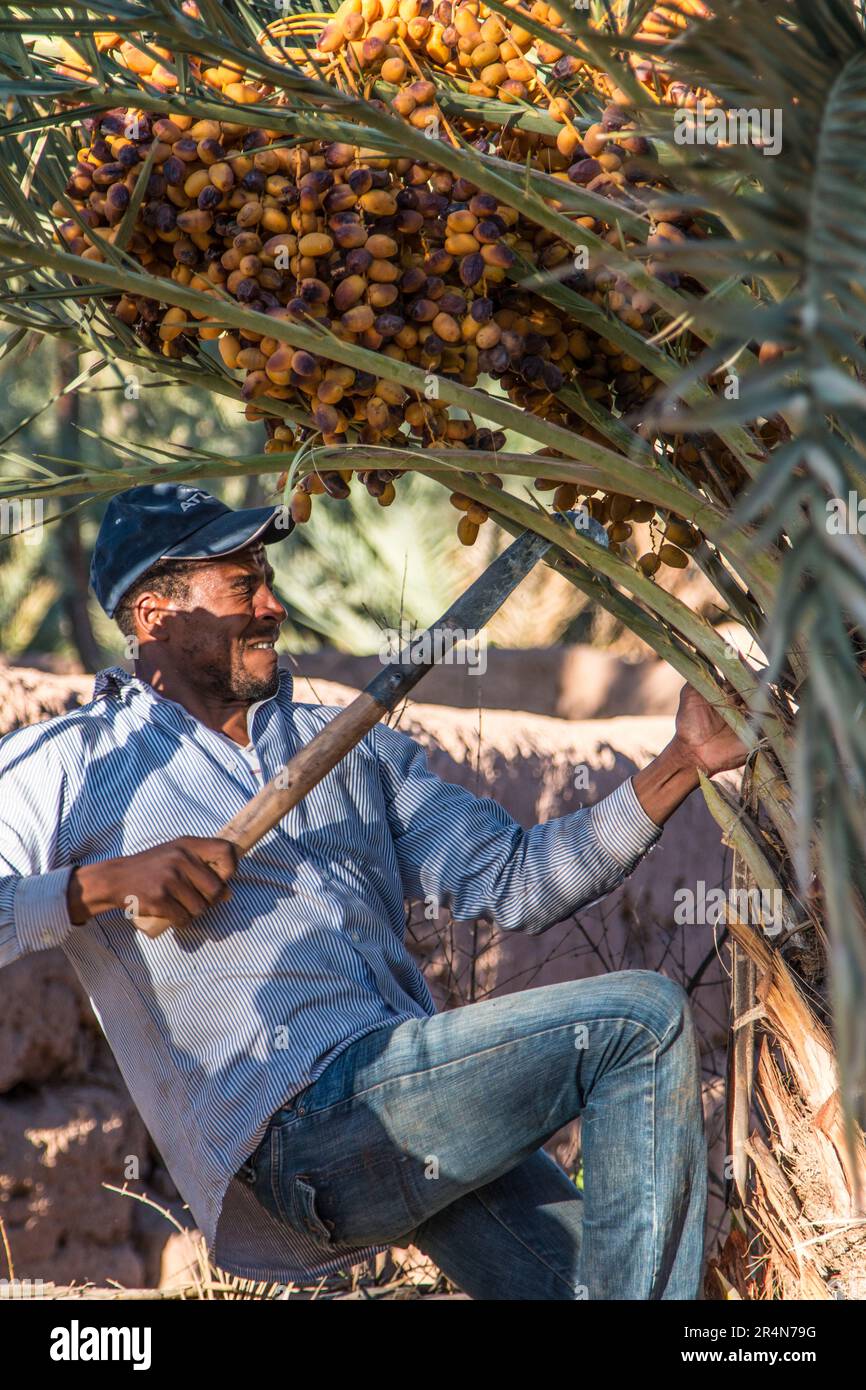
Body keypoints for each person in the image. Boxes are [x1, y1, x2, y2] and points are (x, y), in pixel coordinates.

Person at [0, 483, 747, 1300]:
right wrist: (102, 884)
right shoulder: (74, 765)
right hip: (291, 1137)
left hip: (405, 1112)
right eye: (243, 584)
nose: (273, 606)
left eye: (268, 578)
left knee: (587, 1292)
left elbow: (520, 882)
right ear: (156, 617)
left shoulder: (356, 749)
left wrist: (684, 760)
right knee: (642, 1021)